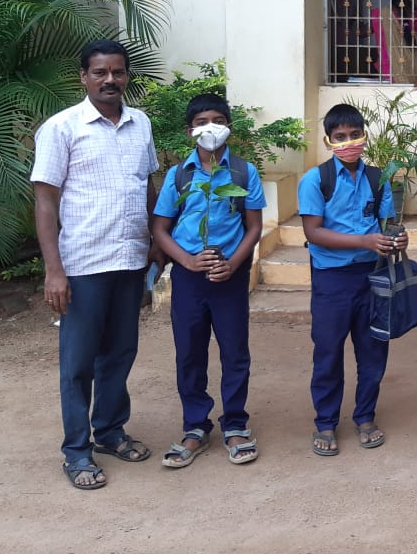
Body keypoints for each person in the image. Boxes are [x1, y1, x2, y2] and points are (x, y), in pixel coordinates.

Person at [31, 39, 161, 490]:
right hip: (83, 263)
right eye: (100, 72)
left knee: (121, 352)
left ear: (127, 77)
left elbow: (147, 184)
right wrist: (54, 270)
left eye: (118, 72)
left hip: (128, 260)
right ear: (83, 77)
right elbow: (46, 202)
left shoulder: (139, 124)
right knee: (79, 362)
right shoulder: (62, 128)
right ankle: (77, 451)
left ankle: (109, 431)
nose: (110, 80)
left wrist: (152, 243)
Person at [151, 94, 266, 469]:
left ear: (229, 125)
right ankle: (194, 426)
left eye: (218, 119)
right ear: (190, 131)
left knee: (235, 352)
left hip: (229, 275)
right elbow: (161, 228)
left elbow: (254, 226)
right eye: (202, 122)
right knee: (189, 351)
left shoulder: (243, 173)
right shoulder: (179, 175)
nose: (210, 128)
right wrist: (186, 260)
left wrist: (233, 264)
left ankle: (235, 423)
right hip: (190, 276)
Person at [298, 103, 409, 457]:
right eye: (340, 137)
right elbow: (313, 232)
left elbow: (388, 224)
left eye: (354, 135)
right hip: (332, 279)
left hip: (372, 276)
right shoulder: (315, 180)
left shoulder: (377, 179)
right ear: (329, 141)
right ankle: (326, 422)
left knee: (373, 350)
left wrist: (397, 238)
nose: (348, 142)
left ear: (364, 136)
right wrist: (363, 240)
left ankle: (365, 416)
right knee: (328, 351)